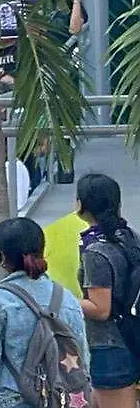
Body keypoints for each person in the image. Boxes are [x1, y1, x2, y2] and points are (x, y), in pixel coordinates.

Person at [0, 217, 89, 408]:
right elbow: (83, 358)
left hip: (10, 399)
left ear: (2, 255)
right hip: (61, 399)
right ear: (41, 249)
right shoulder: (67, 298)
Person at [75, 174, 140, 406]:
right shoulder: (130, 236)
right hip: (131, 333)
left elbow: (101, 309)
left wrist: (63, 299)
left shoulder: (96, 251)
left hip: (109, 343)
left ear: (81, 204)